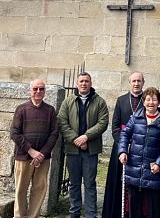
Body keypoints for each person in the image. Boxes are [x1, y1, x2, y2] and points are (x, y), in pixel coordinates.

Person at [57, 72, 109, 218]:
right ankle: (74, 212)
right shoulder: (68, 102)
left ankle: (90, 214)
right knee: (74, 183)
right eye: (81, 81)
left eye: (86, 81)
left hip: (91, 149)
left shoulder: (99, 102)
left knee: (90, 184)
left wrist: (86, 137)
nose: (84, 84)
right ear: (76, 84)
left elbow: (103, 122)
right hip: (73, 149)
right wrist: (76, 140)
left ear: (90, 83)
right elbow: (62, 122)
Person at [10, 78, 60, 218]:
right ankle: (19, 216)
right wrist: (31, 151)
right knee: (21, 189)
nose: (38, 91)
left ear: (45, 91)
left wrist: (41, 154)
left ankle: (33, 216)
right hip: (24, 156)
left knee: (39, 188)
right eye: (35, 89)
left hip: (43, 159)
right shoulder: (21, 109)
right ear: (30, 90)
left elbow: (54, 133)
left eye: (41, 89)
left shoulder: (50, 110)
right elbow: (14, 133)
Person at [118, 87, 160, 218]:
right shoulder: (135, 117)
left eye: (154, 99)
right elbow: (124, 134)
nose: (151, 102)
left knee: (153, 207)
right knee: (134, 205)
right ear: (143, 101)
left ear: (159, 101)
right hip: (135, 168)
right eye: (147, 99)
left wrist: (159, 163)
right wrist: (122, 151)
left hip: (154, 169)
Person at [102, 72, 145, 218]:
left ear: (143, 83)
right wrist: (123, 144)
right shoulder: (121, 100)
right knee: (118, 180)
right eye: (133, 81)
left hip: (140, 148)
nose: (136, 83)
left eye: (139, 81)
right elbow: (115, 126)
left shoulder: (148, 100)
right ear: (129, 83)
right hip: (121, 147)